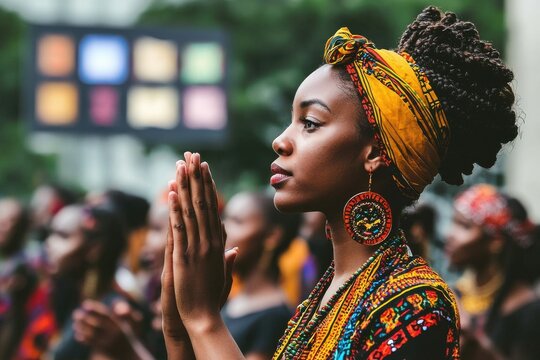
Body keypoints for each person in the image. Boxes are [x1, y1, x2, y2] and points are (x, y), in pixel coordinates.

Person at [162, 6, 518, 359]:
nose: (281, 141)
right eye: (292, 121)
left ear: (375, 152)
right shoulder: (324, 294)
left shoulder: (416, 305)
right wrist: (178, 332)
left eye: (310, 123)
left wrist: (204, 321)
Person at [446, 185, 540, 360]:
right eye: (454, 222)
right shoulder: (452, 295)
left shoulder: (528, 309)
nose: (450, 235)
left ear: (495, 242)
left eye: (464, 226)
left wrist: (477, 348)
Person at [221, 191, 300, 359]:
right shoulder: (230, 299)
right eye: (225, 218)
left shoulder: (275, 318)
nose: (223, 228)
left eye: (237, 221)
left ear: (272, 236)